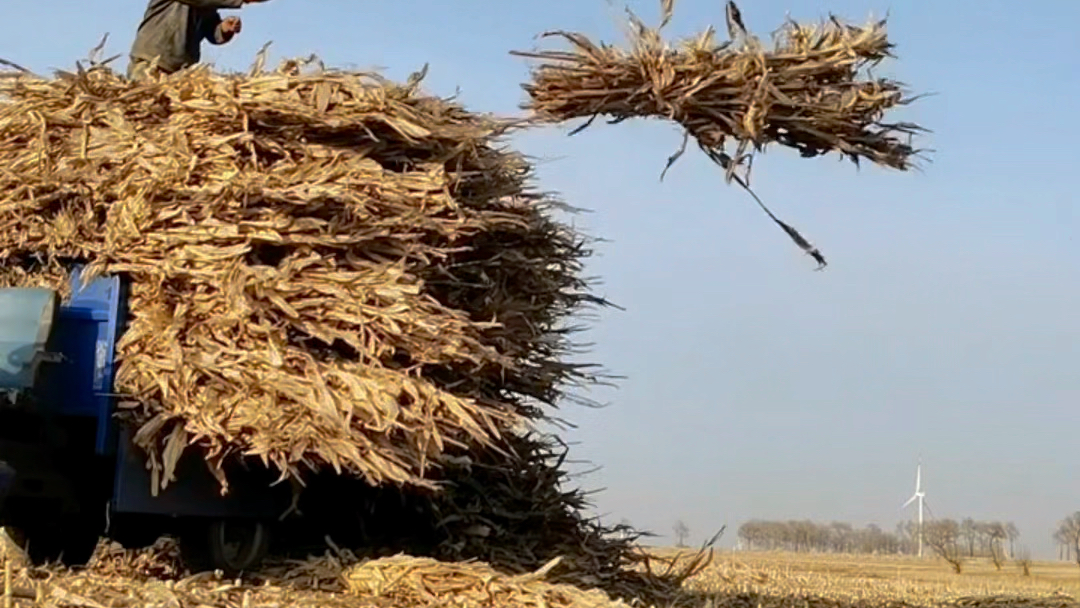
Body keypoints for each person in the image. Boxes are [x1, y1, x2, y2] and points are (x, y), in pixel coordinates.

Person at [127, 0, 271, 81]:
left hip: (182, 71)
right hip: (151, 62)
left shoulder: (207, 5)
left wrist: (223, 28)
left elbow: (211, 31)